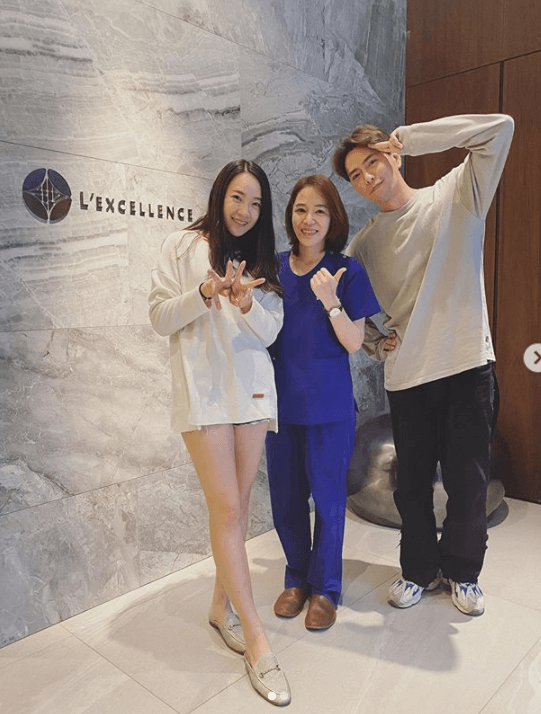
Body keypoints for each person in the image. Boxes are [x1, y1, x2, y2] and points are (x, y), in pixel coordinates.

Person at [333, 114, 514, 616]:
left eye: (372, 162)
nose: (367, 178)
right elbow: (343, 303)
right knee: (410, 487)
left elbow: (500, 128)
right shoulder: (365, 245)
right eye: (355, 175)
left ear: (393, 156)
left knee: (468, 482)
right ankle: (417, 570)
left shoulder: (457, 193)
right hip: (408, 375)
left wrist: (412, 138)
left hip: (466, 365)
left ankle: (463, 572)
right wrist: (375, 343)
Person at [149, 159, 291, 706]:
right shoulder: (182, 245)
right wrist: (206, 292)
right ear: (219, 195)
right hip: (204, 393)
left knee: (237, 506)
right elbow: (160, 317)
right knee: (228, 508)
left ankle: (219, 607)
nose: (245, 211)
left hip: (251, 394)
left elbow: (272, 331)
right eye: (237, 198)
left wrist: (247, 302)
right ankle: (257, 639)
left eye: (256, 203)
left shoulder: (262, 261)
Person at [265, 174, 385, 630]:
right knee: (286, 500)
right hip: (280, 407)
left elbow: (354, 342)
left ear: (333, 218)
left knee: (330, 501)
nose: (309, 220)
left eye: (319, 211)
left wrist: (331, 302)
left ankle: (325, 588)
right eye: (301, 209)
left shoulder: (345, 270)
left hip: (329, 408)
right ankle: (296, 578)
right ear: (290, 215)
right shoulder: (273, 269)